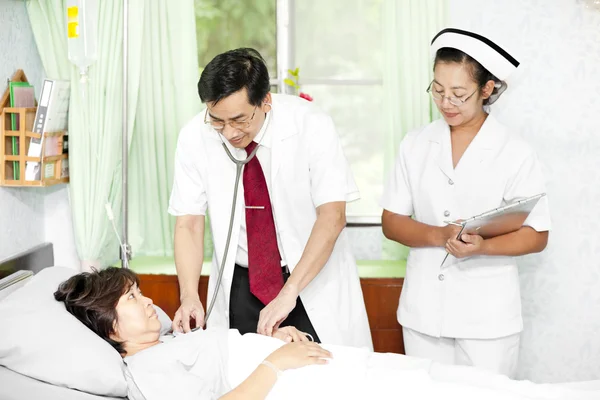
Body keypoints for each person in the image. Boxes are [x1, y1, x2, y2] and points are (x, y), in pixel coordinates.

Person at [55, 268, 592, 400]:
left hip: (297, 365)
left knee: (441, 380)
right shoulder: (142, 370)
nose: (147, 299)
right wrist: (272, 365)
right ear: (109, 327)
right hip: (287, 383)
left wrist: (278, 343)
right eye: (131, 299)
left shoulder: (163, 344)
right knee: (439, 390)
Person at [168, 47, 371, 349]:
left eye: (239, 120)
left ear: (266, 101)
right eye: (217, 121)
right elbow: (189, 224)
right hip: (242, 282)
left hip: (308, 277)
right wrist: (189, 296)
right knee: (246, 381)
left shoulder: (310, 124)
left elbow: (333, 216)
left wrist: (288, 293)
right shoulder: (194, 137)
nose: (229, 133)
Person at [380, 28, 551, 378]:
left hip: (488, 319)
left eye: (459, 94)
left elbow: (537, 235)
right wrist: (440, 234)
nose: (446, 103)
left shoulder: (514, 150)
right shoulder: (415, 144)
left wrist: (481, 248)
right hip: (423, 313)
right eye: (438, 91)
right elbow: (391, 221)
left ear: (486, 90)